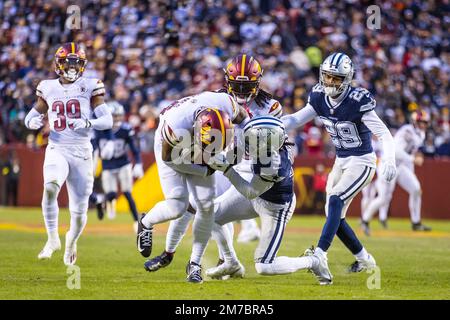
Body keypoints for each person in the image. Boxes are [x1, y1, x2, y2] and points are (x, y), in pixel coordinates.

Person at [143, 54, 285, 273]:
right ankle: (170, 253)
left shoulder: (270, 106)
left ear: (257, 83)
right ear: (227, 81)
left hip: (248, 166)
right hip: (222, 159)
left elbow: (270, 140)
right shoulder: (220, 100)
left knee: (211, 210)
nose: (241, 91)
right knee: (193, 206)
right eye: (236, 85)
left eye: (246, 85)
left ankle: (220, 260)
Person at [281, 52, 397, 284]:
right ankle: (366, 260)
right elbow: (295, 120)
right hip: (341, 160)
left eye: (336, 78)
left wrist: (389, 159)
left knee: (335, 200)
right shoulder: (319, 97)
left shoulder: (357, 100)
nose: (330, 82)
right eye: (327, 77)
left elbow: (384, 133)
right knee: (335, 214)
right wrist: (270, 124)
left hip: (362, 161)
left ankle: (320, 254)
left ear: (347, 79)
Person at [136, 91, 248, 283]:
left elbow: (245, 120)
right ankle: (146, 223)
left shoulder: (227, 103)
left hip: (195, 139)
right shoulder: (175, 126)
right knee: (177, 204)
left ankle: (194, 264)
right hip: (173, 150)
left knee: (206, 206)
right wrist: (204, 170)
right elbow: (170, 160)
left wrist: (248, 140)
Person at [24, 42, 113, 265]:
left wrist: (87, 121)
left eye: (77, 64)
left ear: (83, 66)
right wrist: (32, 121)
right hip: (57, 147)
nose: (72, 68)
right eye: (67, 63)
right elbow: (30, 117)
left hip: (82, 152)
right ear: (58, 63)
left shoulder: (91, 86)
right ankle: (52, 238)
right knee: (51, 186)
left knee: (79, 210)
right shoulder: (48, 87)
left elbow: (107, 120)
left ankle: (71, 242)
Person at [361, 110, 432, 233]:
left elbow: (410, 151)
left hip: (400, 166)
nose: (424, 125)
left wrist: (413, 159)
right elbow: (396, 151)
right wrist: (412, 159)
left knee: (416, 189)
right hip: (388, 165)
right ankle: (365, 220)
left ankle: (416, 222)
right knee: (384, 198)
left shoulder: (420, 133)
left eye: (425, 122)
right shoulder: (407, 131)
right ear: (415, 121)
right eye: (421, 122)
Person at [93, 101, 144, 231]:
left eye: (118, 116)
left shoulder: (126, 129)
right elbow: (94, 148)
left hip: (123, 164)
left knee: (127, 192)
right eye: (113, 116)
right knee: (111, 194)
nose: (116, 119)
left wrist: (138, 163)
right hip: (107, 166)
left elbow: (134, 149)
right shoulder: (100, 130)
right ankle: (106, 202)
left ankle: (135, 220)